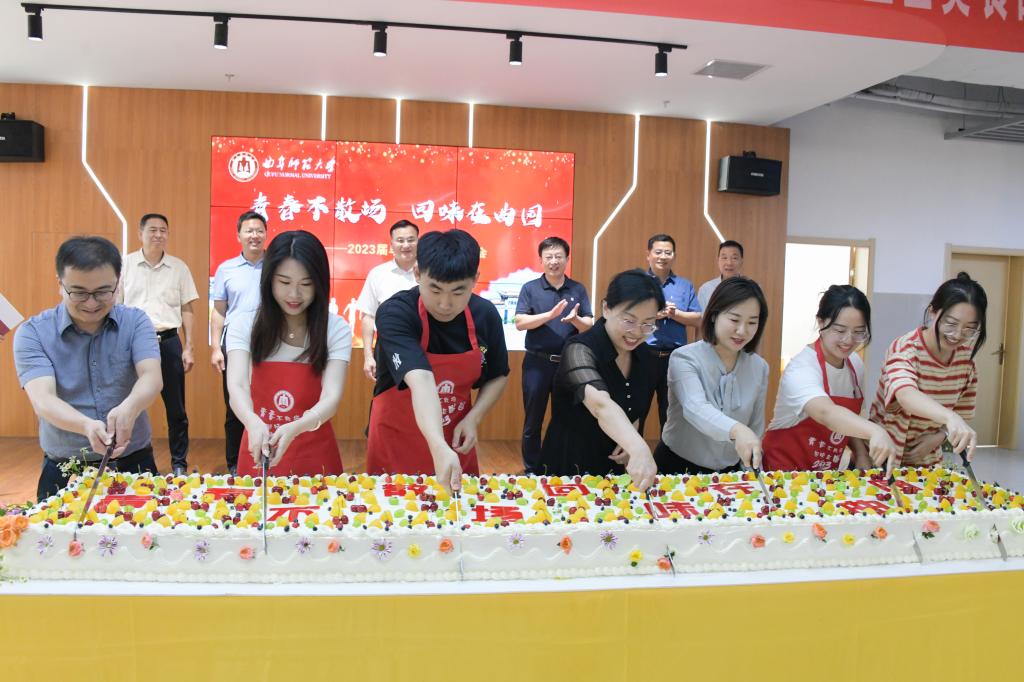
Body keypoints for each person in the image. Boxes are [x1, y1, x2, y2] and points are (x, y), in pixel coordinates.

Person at [13, 236, 163, 501]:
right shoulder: (33, 333)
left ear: (118, 283)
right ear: (60, 284)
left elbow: (151, 377)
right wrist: (85, 425)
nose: (91, 303)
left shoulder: (136, 322)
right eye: (79, 292)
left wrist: (129, 408)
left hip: (133, 461)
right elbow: (43, 399)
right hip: (65, 466)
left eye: (103, 291)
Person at [366, 229, 510, 493]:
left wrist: (474, 418)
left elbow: (498, 374)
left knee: (458, 515)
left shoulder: (485, 315)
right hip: (396, 440)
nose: (445, 304)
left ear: (475, 280)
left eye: (458, 291)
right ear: (418, 274)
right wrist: (437, 445)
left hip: (455, 441)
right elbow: (421, 379)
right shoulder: (396, 313)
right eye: (435, 289)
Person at [226, 230, 351, 476]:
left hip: (315, 454)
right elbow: (237, 386)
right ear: (269, 280)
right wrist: (252, 421)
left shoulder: (335, 328)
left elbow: (331, 397)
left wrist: (296, 426)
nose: (294, 294)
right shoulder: (244, 324)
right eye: (284, 282)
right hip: (259, 446)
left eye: (306, 284)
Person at [539, 269, 661, 490]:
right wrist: (638, 446)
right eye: (629, 321)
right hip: (571, 468)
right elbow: (600, 405)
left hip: (618, 471)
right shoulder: (578, 350)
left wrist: (630, 435)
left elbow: (636, 406)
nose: (637, 332)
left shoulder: (645, 356)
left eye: (647, 324)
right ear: (606, 308)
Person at [763, 285, 898, 473]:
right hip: (783, 474)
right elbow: (826, 413)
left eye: (858, 332)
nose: (848, 340)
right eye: (840, 330)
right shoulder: (801, 368)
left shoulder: (855, 364)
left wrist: (860, 453)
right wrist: (876, 431)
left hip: (825, 475)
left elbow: (850, 420)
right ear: (821, 322)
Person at [655, 277, 769, 474]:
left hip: (729, 473)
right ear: (714, 315)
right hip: (678, 467)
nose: (742, 331)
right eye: (734, 320)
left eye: (752, 322)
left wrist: (750, 467)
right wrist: (737, 430)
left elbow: (755, 426)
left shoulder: (759, 367)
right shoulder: (684, 357)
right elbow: (695, 408)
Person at [868, 273, 985, 466]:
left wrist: (939, 436)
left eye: (969, 329)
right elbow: (905, 394)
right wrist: (950, 417)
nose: (957, 335)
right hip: (882, 459)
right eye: (951, 323)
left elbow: (961, 414)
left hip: (928, 461)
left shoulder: (966, 361)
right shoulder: (906, 348)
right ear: (932, 312)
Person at [119, 213, 200, 476]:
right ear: (140, 233)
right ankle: (126, 459)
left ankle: (179, 463)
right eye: (152, 230)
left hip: (168, 341)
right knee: (127, 403)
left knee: (176, 408)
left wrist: (189, 347)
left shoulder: (178, 268)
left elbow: (187, 308)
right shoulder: (125, 265)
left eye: (163, 230)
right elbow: (115, 307)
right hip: (132, 343)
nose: (158, 235)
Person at [514, 236, 593, 474]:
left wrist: (575, 320)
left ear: (567, 259)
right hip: (537, 363)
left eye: (559, 256)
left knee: (568, 418)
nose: (554, 261)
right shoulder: (530, 288)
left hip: (568, 364)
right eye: (549, 257)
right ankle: (532, 468)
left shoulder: (577, 288)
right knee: (533, 420)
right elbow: (520, 322)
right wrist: (549, 316)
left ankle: (564, 466)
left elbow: (589, 324)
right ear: (541, 260)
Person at [210, 210, 267, 475]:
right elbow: (219, 311)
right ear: (239, 235)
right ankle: (235, 464)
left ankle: (267, 460)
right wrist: (215, 348)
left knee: (266, 404)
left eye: (259, 231)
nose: (254, 235)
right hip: (234, 345)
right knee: (236, 404)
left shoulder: (276, 266)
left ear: (266, 234)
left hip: (269, 344)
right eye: (249, 231)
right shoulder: (226, 269)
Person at [644, 234, 701, 430]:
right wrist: (654, 314)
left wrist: (675, 314)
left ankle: (666, 451)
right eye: (658, 252)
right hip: (643, 355)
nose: (663, 256)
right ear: (648, 255)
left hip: (675, 357)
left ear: (674, 256)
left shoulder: (684, 285)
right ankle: (631, 450)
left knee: (670, 414)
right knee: (637, 410)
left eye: (667, 253)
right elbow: (627, 316)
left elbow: (698, 319)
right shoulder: (638, 283)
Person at [357, 219, 419, 380]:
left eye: (411, 240)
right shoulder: (378, 274)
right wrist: (368, 356)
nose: (406, 245)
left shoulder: (429, 272)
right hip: (387, 345)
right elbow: (368, 316)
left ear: (418, 241)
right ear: (391, 244)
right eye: (400, 240)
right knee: (387, 393)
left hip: (424, 343)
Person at [697, 240, 744, 310]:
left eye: (734, 258)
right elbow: (702, 316)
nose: (729, 263)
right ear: (718, 260)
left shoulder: (751, 289)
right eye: (724, 258)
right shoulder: (706, 289)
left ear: (741, 261)